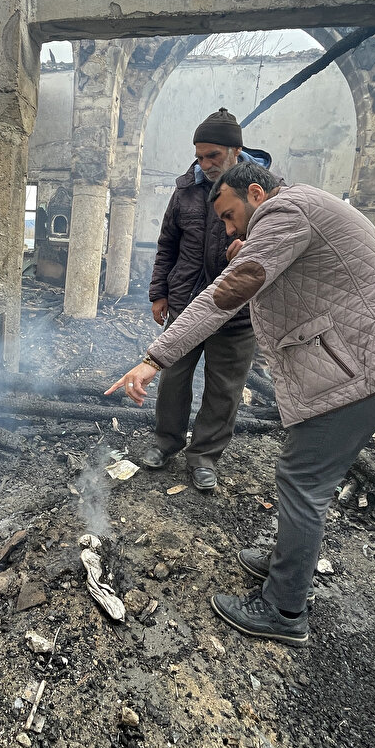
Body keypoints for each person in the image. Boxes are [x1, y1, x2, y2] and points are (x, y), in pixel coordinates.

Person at [107, 162, 375, 645]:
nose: (228, 228)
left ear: (256, 193)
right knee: (307, 478)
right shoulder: (304, 205)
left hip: (368, 365)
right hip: (374, 360)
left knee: (303, 481)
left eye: (231, 216)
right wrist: (247, 247)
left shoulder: (285, 210)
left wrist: (155, 357)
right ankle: (284, 564)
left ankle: (284, 609)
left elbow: (226, 294)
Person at [144, 108, 274, 492]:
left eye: (212, 155)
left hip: (237, 310)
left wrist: (251, 247)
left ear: (236, 151)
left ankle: (203, 457)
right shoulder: (186, 188)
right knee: (174, 378)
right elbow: (167, 244)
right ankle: (167, 442)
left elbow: (279, 248)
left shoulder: (266, 192)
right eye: (199, 156)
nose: (204, 164)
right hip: (186, 302)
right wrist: (159, 292)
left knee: (224, 388)